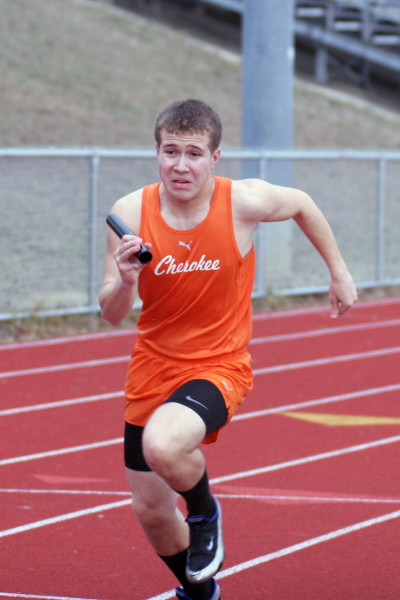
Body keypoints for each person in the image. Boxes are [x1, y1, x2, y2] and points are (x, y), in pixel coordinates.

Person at [99, 99, 357, 600]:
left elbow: (302, 202)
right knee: (151, 510)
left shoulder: (242, 201)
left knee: (164, 446)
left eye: (194, 154)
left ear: (215, 158)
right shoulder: (130, 212)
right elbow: (111, 312)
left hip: (219, 365)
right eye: (171, 152)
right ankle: (200, 594)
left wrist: (339, 271)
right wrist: (126, 279)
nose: (180, 165)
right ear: (156, 152)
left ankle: (204, 514)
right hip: (152, 368)